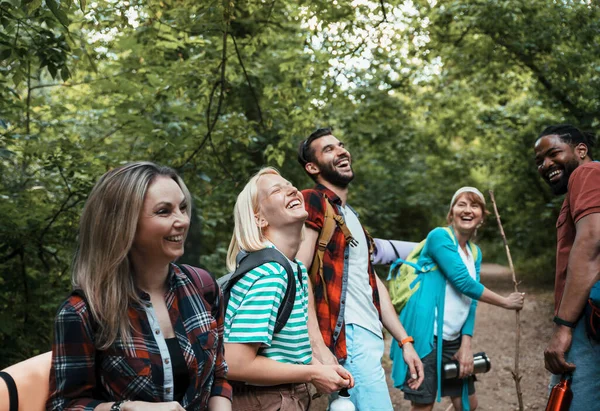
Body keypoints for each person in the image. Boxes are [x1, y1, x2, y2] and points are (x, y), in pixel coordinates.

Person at [46, 162, 232, 411]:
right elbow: (64, 405)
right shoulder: (83, 312)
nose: (182, 221)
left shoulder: (203, 287)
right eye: (164, 211)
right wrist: (125, 408)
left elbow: (218, 376)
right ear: (124, 224)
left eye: (183, 208)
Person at [296, 128, 423, 411]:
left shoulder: (348, 215)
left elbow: (373, 283)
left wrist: (404, 341)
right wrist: (319, 346)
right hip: (345, 335)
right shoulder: (314, 201)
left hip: (367, 334)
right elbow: (298, 271)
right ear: (312, 167)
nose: (341, 151)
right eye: (328, 149)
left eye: (340, 145)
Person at [223, 167, 353, 411]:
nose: (293, 189)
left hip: (284, 396)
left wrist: (320, 367)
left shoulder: (294, 269)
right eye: (276, 190)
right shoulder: (271, 273)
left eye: (290, 185)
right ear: (259, 218)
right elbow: (235, 362)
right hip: (265, 399)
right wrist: (313, 372)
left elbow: (283, 350)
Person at [390, 187, 525, 411]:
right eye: (461, 204)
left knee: (467, 403)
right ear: (451, 212)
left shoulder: (474, 252)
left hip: (453, 339)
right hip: (426, 336)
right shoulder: (439, 237)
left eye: (474, 206)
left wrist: (466, 345)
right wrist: (505, 302)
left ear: (482, 216)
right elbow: (463, 282)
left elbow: (471, 299)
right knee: (423, 405)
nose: (467, 210)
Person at [533, 124, 600, 409]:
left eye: (553, 153)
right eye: (539, 161)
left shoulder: (587, 173)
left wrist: (563, 326)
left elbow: (592, 243)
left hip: (588, 321)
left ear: (581, 150)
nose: (545, 164)